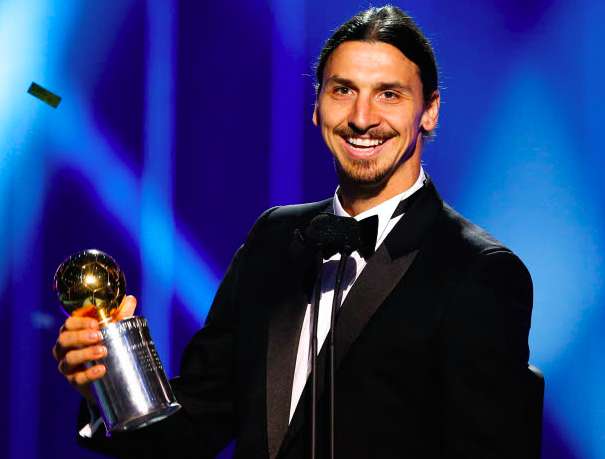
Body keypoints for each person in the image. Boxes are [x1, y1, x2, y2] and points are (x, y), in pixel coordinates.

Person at [53, 6, 536, 458]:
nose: (362, 117)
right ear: (317, 106)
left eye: (389, 94)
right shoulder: (274, 238)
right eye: (343, 90)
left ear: (429, 111)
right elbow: (198, 420)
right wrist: (106, 379)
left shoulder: (478, 270)